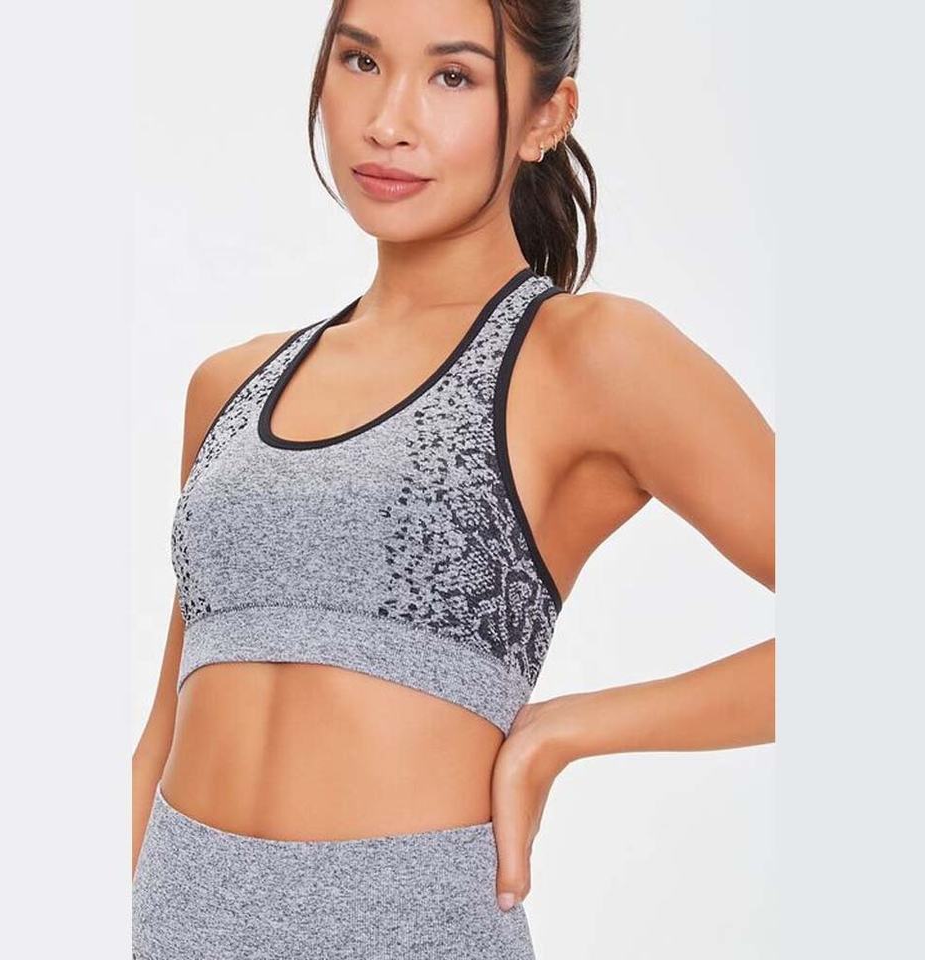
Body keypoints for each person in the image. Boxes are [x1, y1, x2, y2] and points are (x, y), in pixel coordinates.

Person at [131, 1, 775, 957]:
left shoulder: (587, 357)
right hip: (179, 925)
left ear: (547, 116)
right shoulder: (229, 385)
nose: (388, 120)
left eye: (453, 76)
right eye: (360, 61)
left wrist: (566, 731)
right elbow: (161, 731)